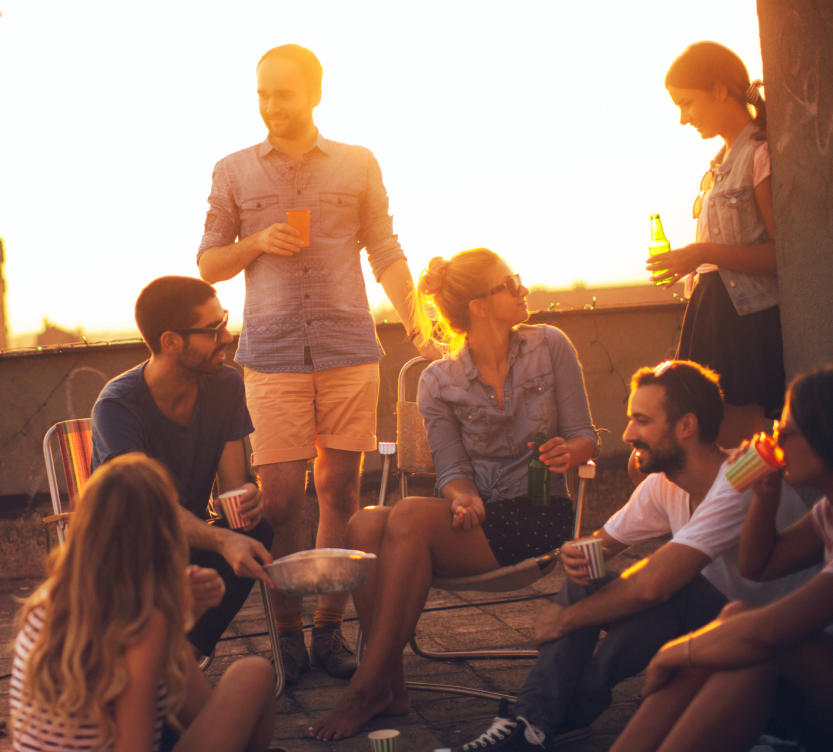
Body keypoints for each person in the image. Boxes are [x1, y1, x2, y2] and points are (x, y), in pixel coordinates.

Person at [197, 43, 425, 684]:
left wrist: (418, 321)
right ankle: (287, 635)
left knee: (340, 493)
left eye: (283, 93)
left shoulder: (357, 164)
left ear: (315, 93)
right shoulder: (234, 171)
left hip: (348, 347)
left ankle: (328, 633)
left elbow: (384, 247)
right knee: (278, 500)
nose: (271, 105)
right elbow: (209, 262)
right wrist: (257, 242)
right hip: (270, 356)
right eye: (262, 93)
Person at [448, 361, 815, 752]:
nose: (627, 434)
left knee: (670, 590)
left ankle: (555, 716)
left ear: (686, 427)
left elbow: (656, 586)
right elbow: (602, 544)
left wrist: (563, 620)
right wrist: (577, 552)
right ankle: (535, 721)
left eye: (641, 421)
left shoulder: (736, 485)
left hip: (782, 664)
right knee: (587, 575)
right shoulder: (664, 484)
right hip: (721, 631)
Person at [308, 248, 600, 741]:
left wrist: (570, 453)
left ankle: (367, 685)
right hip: (479, 519)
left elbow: (585, 435)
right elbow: (453, 470)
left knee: (407, 517)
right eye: (510, 284)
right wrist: (463, 496)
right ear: (480, 306)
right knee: (363, 525)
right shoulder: (438, 381)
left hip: (540, 515)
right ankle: (390, 685)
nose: (522, 289)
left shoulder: (551, 346)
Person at [609, 366, 833, 752]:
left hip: (812, 677)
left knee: (750, 645)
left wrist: (671, 654)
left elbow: (771, 632)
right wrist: (765, 495)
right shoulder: (827, 510)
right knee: (736, 621)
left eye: (789, 430)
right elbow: (760, 566)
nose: (775, 438)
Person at [9, 453, 277, 752]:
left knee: (242, 684)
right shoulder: (143, 618)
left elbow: (193, 704)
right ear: (165, 536)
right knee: (254, 673)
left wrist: (180, 617)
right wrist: (165, 620)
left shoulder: (50, 598)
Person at [91, 275, 274, 659]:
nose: (227, 337)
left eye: (223, 321)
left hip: (184, 544)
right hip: (125, 557)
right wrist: (224, 540)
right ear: (171, 342)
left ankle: (181, 662)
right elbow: (145, 509)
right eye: (213, 329)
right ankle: (165, 673)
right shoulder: (117, 406)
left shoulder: (224, 385)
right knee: (228, 541)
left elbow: (232, 488)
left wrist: (246, 498)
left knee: (256, 529)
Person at [647, 41, 783, 448]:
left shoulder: (760, 154)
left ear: (721, 91)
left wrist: (702, 253)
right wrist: (693, 265)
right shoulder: (718, 166)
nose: (684, 119)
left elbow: (783, 257)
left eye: (687, 104)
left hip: (742, 324)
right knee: (707, 447)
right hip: (711, 314)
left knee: (735, 449)